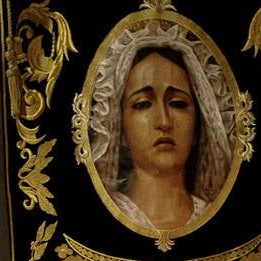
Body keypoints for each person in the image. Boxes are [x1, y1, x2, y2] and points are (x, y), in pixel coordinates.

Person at [89, 20, 234, 231]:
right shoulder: (101, 221)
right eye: (143, 104)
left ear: (198, 128)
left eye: (178, 103)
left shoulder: (218, 221)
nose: (164, 122)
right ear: (118, 128)